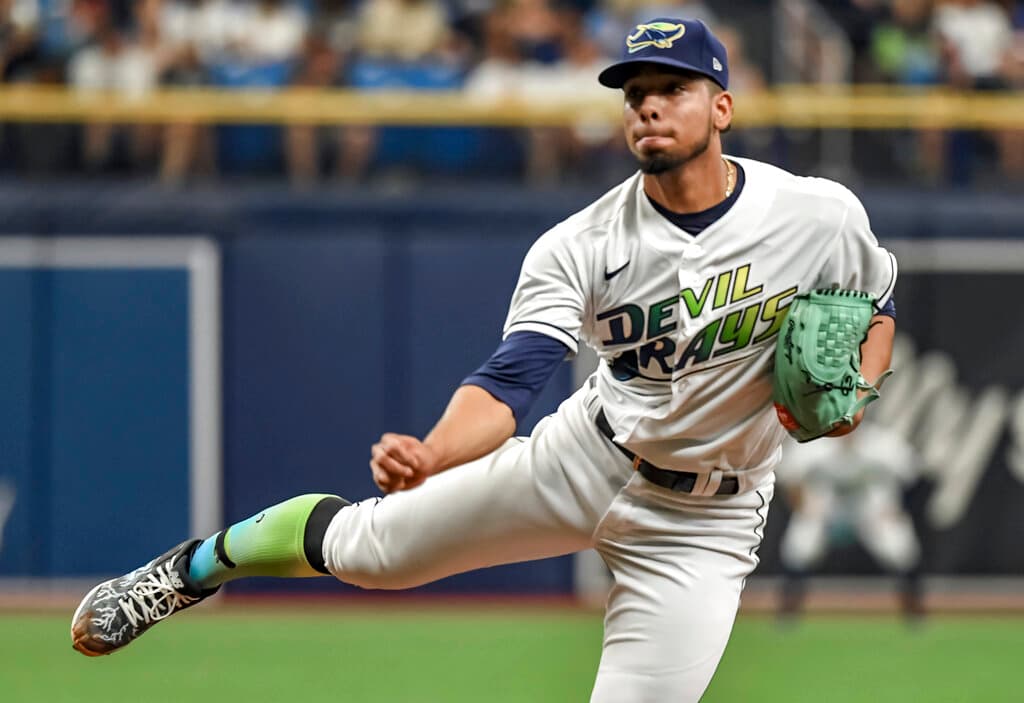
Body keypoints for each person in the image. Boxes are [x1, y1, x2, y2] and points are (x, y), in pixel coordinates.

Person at [70, 17, 898, 701]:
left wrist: (857, 385)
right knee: (367, 553)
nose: (648, 108)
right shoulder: (580, 244)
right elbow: (511, 383)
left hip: (705, 524)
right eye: (635, 95)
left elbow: (878, 303)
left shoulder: (815, 214)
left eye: (670, 90)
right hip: (588, 456)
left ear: (721, 106)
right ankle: (187, 571)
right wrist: (431, 453)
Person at [776, 422, 925, 621]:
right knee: (802, 540)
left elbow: (912, 475)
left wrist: (896, 508)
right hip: (828, 506)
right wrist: (802, 506)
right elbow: (788, 477)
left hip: (869, 507)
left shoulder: (882, 444)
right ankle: (789, 608)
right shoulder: (813, 443)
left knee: (898, 543)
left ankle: (913, 607)